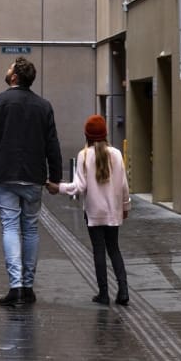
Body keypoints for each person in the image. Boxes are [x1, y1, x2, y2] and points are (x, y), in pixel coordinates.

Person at [0, 56, 62, 307]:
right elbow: (52, 144)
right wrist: (55, 177)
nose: (7, 70)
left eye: (10, 68)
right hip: (34, 176)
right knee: (32, 229)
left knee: (10, 227)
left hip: (4, 175)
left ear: (14, 77)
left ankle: (15, 286)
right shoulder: (43, 106)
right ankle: (28, 285)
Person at [48, 113, 130, 306]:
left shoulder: (84, 155)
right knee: (114, 249)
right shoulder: (117, 154)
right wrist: (125, 206)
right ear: (105, 134)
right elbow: (124, 185)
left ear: (87, 135)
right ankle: (123, 291)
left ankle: (103, 294)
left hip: (94, 213)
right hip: (113, 212)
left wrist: (57, 187)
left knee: (99, 251)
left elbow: (78, 187)